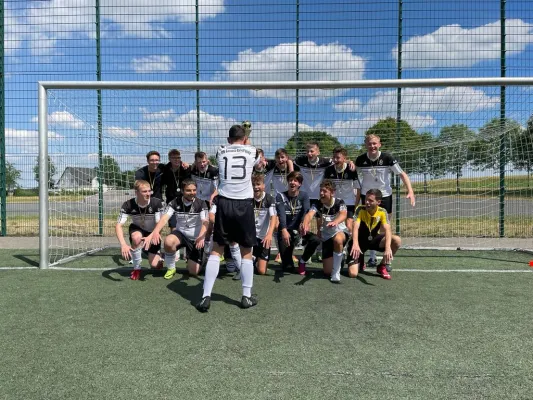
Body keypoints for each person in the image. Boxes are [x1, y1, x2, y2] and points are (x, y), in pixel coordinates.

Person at [196, 125, 260, 312]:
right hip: (243, 204)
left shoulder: (220, 151)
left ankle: (205, 296)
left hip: (224, 203)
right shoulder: (252, 150)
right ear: (244, 138)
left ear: (228, 138)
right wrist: (247, 139)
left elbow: (234, 148)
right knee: (246, 252)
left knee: (217, 251)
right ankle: (246, 297)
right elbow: (256, 159)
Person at [355, 134, 415, 267]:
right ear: (366, 145)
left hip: (385, 196)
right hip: (367, 197)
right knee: (365, 227)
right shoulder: (360, 160)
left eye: (375, 143)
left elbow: (402, 174)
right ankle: (367, 257)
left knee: (384, 226)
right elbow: (353, 174)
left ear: (379, 144)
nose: (372, 146)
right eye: (370, 144)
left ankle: (385, 260)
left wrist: (410, 191)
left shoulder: (388, 158)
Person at [144, 179, 209, 279]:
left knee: (193, 272)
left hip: (196, 239)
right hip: (181, 235)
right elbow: (165, 217)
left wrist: (201, 237)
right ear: (182, 191)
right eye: (188, 190)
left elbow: (205, 222)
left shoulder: (201, 203)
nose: (192, 193)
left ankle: (200, 258)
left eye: (194, 190)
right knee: (168, 241)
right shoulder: (174, 202)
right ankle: (171, 268)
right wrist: (156, 232)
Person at [115, 180, 165, 280]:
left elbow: (160, 225)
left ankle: (159, 256)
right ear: (136, 192)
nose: (148, 194)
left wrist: (150, 237)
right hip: (138, 229)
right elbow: (118, 226)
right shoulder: (128, 204)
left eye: (149, 191)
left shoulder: (157, 203)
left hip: (153, 232)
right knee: (136, 237)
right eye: (144, 191)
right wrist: (123, 245)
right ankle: (137, 268)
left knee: (155, 266)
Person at [348, 188, 402, 280]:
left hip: (374, 240)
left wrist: (388, 248)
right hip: (360, 242)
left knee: (397, 240)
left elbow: (387, 229)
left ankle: (382, 266)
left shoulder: (382, 211)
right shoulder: (360, 209)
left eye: (370, 200)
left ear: (378, 202)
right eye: (366, 199)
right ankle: (360, 259)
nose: (367, 202)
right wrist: (355, 244)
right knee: (353, 274)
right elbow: (355, 226)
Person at [301, 180, 348, 283]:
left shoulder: (339, 202)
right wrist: (305, 223)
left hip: (340, 232)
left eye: (324, 191)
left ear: (332, 192)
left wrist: (336, 221)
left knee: (338, 239)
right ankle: (340, 257)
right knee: (327, 271)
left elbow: (343, 214)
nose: (321, 193)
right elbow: (309, 214)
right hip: (327, 237)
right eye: (320, 191)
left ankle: (336, 273)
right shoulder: (318, 203)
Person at [275, 171, 321, 275]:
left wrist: (302, 223)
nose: (292, 182)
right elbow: (281, 215)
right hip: (286, 231)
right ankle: (288, 255)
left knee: (316, 240)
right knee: (287, 268)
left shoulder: (304, 195)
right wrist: (284, 230)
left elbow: (306, 211)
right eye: (290, 180)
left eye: (295, 181)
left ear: (300, 184)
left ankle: (303, 260)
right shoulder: (280, 196)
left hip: (299, 231)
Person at [323, 146, 360, 233]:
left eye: (338, 158)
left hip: (349, 202)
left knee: (349, 224)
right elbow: (325, 187)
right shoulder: (329, 170)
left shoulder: (351, 169)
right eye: (334, 157)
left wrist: (356, 205)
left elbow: (358, 188)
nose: (335, 160)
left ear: (344, 158)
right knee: (335, 225)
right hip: (335, 203)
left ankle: (352, 244)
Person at [251, 174, 277, 275]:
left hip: (263, 238)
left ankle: (256, 259)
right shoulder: (248, 197)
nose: (256, 187)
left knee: (261, 271)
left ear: (263, 186)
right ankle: (252, 259)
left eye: (258, 184)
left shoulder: (269, 199)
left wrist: (269, 234)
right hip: (251, 237)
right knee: (244, 267)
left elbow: (273, 216)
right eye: (253, 185)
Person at [161, 149, 191, 229]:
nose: (177, 160)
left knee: (186, 226)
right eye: (174, 158)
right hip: (171, 200)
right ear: (169, 159)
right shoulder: (165, 169)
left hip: (184, 200)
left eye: (178, 157)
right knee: (173, 226)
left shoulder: (185, 168)